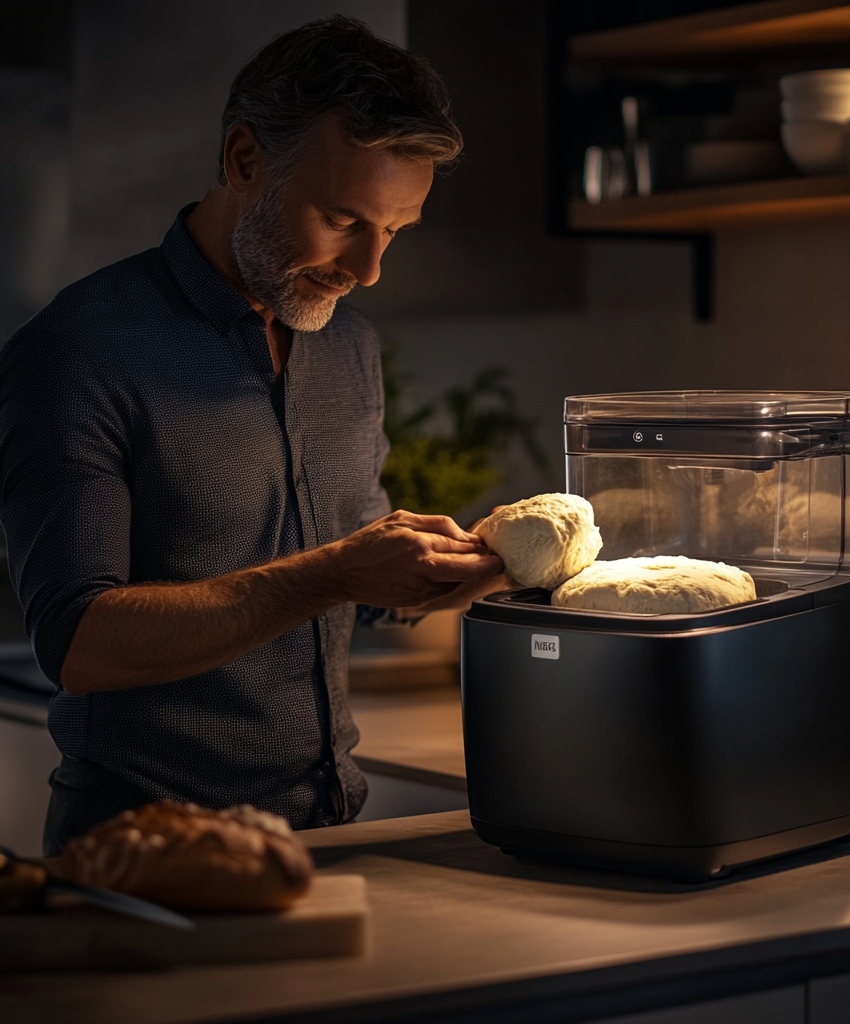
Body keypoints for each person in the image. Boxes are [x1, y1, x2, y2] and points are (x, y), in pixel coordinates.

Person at [0, 16, 506, 855]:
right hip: (143, 848)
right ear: (244, 160)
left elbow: (354, 579)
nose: (369, 268)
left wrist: (456, 567)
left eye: (395, 231)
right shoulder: (78, 350)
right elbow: (78, 642)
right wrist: (335, 572)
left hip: (329, 836)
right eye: (343, 218)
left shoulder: (348, 345)